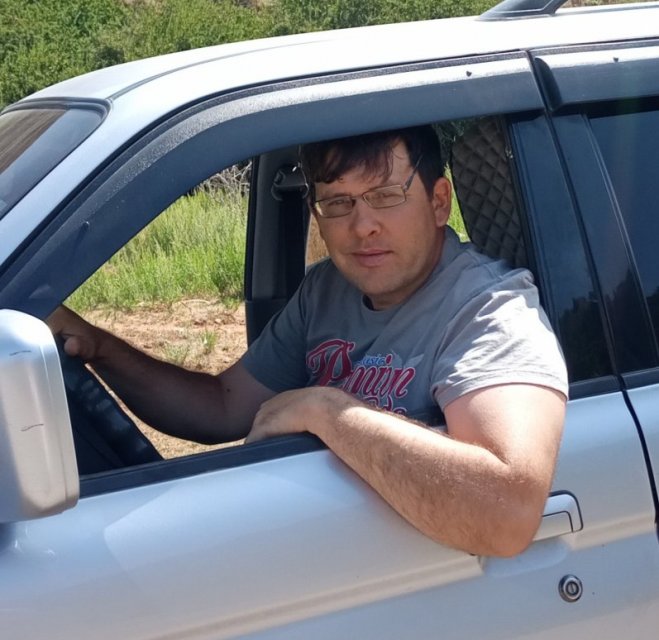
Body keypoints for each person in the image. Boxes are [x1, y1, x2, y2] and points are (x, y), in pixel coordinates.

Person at [50, 125, 568, 557]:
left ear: (438, 202)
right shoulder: (327, 289)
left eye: (385, 196)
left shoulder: (490, 309)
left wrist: (327, 411)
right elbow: (222, 407)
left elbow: (506, 514)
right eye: (338, 203)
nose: (362, 226)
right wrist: (98, 347)